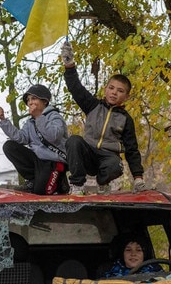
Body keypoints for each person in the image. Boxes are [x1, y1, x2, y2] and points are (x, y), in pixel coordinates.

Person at [60, 41, 148, 195]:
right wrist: (69, 65)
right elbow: (76, 88)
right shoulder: (93, 105)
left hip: (107, 158)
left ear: (126, 97)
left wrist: (138, 177)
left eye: (120, 91)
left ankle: (103, 184)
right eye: (111, 88)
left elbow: (132, 150)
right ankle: (77, 186)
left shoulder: (125, 119)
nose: (114, 93)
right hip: (88, 153)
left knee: (116, 164)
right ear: (105, 89)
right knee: (73, 140)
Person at [0, 84, 69, 195]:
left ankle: (60, 182)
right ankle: (33, 179)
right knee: (9, 146)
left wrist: (39, 117)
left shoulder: (54, 116)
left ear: (45, 101)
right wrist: (3, 120)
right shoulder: (30, 123)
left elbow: (53, 136)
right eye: (28, 100)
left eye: (34, 98)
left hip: (53, 162)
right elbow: (20, 138)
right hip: (37, 161)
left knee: (40, 192)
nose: (30, 102)